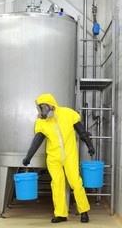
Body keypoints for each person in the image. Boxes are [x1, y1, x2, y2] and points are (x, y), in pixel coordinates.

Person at [23, 94, 95, 223]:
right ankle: (61, 214)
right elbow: (37, 140)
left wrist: (89, 144)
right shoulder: (42, 122)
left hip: (70, 156)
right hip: (53, 158)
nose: (42, 110)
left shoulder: (68, 113)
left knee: (75, 182)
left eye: (44, 107)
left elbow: (81, 131)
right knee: (57, 185)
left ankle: (84, 211)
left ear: (51, 105)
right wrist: (28, 157)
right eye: (40, 108)